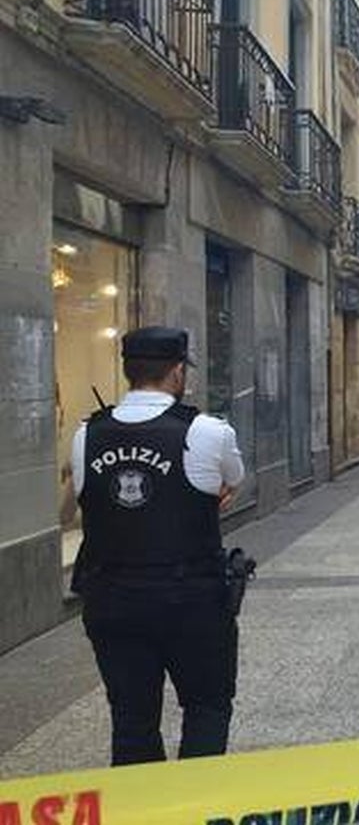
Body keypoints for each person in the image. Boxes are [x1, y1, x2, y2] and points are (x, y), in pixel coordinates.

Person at [70, 326, 245, 766]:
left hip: (112, 599)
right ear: (178, 372)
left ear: (128, 370)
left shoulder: (86, 434)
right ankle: (196, 799)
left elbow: (87, 498)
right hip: (192, 600)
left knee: (131, 719)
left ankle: (141, 800)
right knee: (206, 707)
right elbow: (233, 480)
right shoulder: (208, 431)